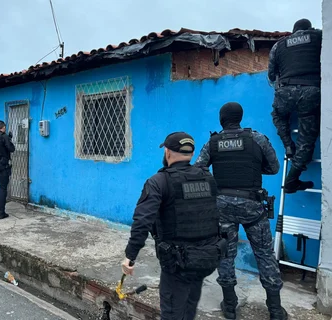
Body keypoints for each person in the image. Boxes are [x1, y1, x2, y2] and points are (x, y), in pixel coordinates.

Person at [195, 102, 287, 320]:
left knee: (225, 253)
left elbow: (199, 169)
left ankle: (229, 306)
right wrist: (255, 169)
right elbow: (274, 168)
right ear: (240, 117)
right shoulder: (257, 139)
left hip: (222, 207)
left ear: (222, 119)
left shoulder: (213, 142)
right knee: (264, 254)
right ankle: (275, 310)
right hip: (252, 206)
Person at [122, 132, 226, 320]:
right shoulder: (207, 178)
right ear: (191, 154)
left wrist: (130, 256)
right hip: (206, 257)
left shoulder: (159, 181)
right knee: (189, 306)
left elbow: (142, 221)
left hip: (178, 262)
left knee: (172, 312)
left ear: (168, 152)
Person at [268, 18, 322, 193]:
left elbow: (271, 75)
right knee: (307, 136)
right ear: (309, 28)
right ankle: (292, 178)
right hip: (310, 91)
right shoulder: (319, 36)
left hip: (285, 91)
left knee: (278, 115)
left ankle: (288, 145)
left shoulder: (279, 45)